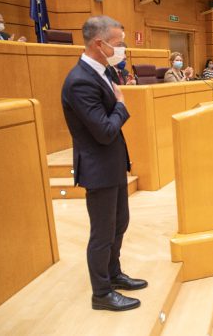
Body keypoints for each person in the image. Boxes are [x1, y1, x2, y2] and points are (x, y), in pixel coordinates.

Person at [61, 15, 146, 312]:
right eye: (118, 43)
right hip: (98, 168)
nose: (121, 49)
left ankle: (113, 273)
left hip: (112, 165)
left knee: (119, 223)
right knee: (101, 233)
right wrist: (122, 106)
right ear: (99, 43)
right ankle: (101, 293)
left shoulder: (102, 71)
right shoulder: (80, 81)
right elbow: (105, 130)